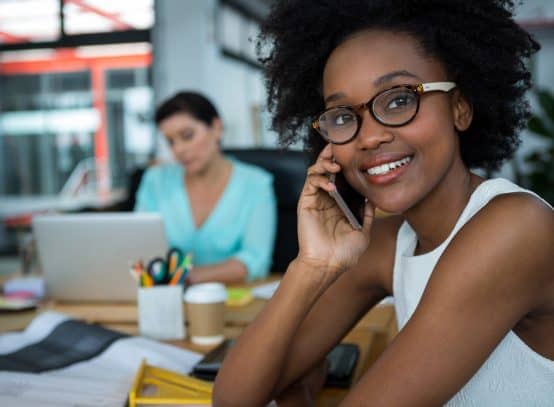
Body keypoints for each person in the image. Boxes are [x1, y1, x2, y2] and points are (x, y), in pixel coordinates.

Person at [213, 1, 554, 405]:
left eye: (398, 100)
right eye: (341, 116)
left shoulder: (514, 229)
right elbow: (233, 399)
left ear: (459, 108)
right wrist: (311, 267)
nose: (369, 136)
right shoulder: (390, 244)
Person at [135, 91, 277, 284]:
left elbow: (256, 260)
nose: (178, 149)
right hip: (167, 298)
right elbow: (140, 247)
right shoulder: (155, 181)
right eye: (171, 142)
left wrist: (185, 277)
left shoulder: (256, 184)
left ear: (216, 128)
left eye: (187, 135)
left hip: (231, 300)